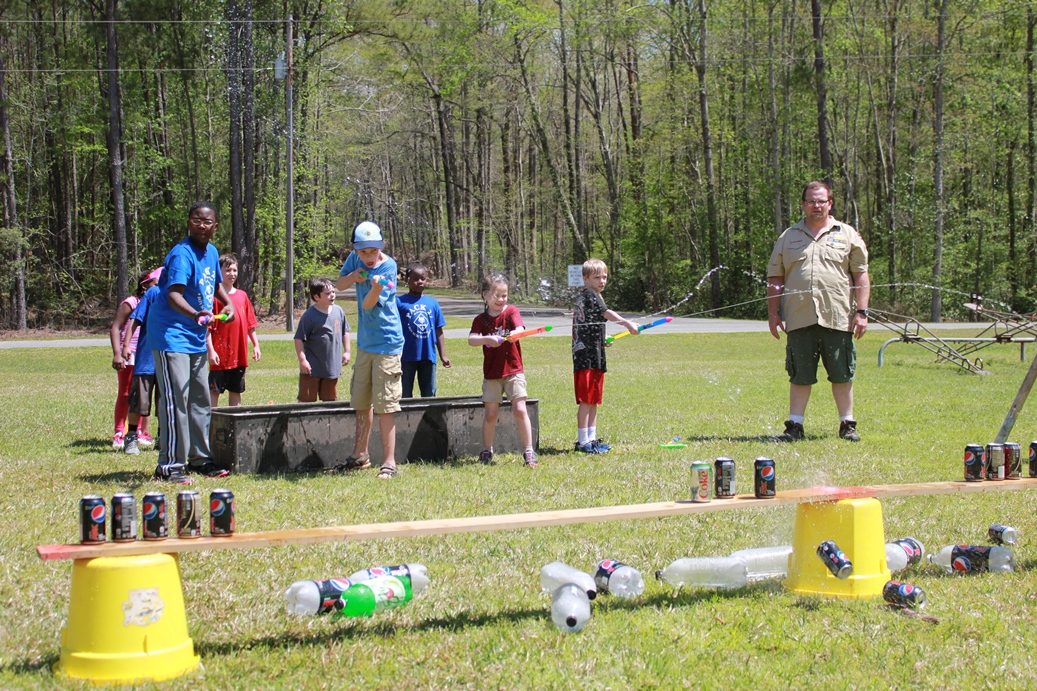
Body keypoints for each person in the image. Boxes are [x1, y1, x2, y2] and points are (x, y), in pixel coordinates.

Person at [767, 180, 870, 442]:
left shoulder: (847, 234)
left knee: (842, 372)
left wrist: (862, 312)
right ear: (803, 204)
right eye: (811, 201)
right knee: (799, 374)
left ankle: (847, 424)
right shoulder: (788, 237)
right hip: (799, 316)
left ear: (830, 204)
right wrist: (773, 313)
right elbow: (775, 277)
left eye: (821, 201)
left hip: (837, 316)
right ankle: (795, 426)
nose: (816, 205)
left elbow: (861, 275)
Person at [149, 202, 235, 484]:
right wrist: (197, 313)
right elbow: (173, 294)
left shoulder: (211, 252)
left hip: (196, 338)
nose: (201, 225)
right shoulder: (181, 254)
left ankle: (200, 459)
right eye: (196, 220)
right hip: (171, 335)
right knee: (177, 401)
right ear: (189, 223)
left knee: (200, 401)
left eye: (207, 221)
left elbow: (217, 284)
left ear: (215, 226)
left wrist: (228, 302)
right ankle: (170, 465)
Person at [330, 221, 404, 480]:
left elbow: (369, 304)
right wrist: (354, 276)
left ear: (381, 247)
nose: (369, 256)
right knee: (361, 401)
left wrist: (375, 287)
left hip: (387, 343)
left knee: (385, 404)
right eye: (363, 251)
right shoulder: (355, 258)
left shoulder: (388, 267)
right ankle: (360, 455)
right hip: (365, 344)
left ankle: (389, 462)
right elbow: (340, 285)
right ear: (355, 250)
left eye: (374, 250)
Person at [468, 273, 538, 467]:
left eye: (504, 295)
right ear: (485, 295)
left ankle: (529, 450)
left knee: (520, 409)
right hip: (492, 373)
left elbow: (520, 328)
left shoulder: (511, 312)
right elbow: (471, 340)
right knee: (491, 414)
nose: (501, 299)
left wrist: (516, 334)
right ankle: (487, 450)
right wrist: (487, 339)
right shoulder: (481, 320)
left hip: (514, 370)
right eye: (496, 295)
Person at [571, 258, 640, 454]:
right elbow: (607, 313)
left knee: (593, 400)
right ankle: (582, 442)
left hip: (595, 354)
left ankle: (591, 439)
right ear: (585, 279)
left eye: (604, 277)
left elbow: (592, 323)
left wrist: (602, 339)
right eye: (597, 277)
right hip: (585, 357)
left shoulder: (593, 296)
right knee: (586, 400)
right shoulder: (589, 295)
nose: (602, 281)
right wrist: (627, 323)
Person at [109, 270, 156, 449]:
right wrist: (117, 353)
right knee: (126, 393)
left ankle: (140, 431)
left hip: (146, 352)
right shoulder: (131, 303)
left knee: (143, 392)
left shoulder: (155, 302)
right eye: (155, 283)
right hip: (129, 353)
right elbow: (115, 327)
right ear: (144, 285)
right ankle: (120, 432)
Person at [207, 253, 261, 407]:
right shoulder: (213, 297)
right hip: (219, 355)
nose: (232, 274)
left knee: (236, 392)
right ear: (219, 272)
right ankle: (211, 421)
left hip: (239, 355)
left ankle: (235, 421)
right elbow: (207, 329)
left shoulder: (242, 296)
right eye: (228, 270)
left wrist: (256, 345)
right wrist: (211, 351)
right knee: (214, 391)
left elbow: (250, 324)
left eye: (234, 270)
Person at [121, 267, 163, 456]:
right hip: (146, 357)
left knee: (165, 402)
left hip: (167, 359)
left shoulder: (180, 296)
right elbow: (135, 319)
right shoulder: (153, 293)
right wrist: (126, 345)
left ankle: (163, 437)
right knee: (139, 401)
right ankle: (131, 437)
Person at [396, 262, 451, 398]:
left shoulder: (432, 303)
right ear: (406, 280)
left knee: (429, 394)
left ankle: (429, 413)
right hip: (406, 356)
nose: (420, 282)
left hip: (427, 355)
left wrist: (443, 355)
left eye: (423, 278)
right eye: (415, 279)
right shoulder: (399, 303)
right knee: (404, 394)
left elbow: (438, 330)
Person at [294, 278, 351, 402]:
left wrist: (347, 351)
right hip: (311, 368)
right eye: (327, 293)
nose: (332, 295)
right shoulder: (310, 315)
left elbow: (345, 331)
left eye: (333, 292)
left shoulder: (338, 311)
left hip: (331, 367)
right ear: (316, 297)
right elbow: (299, 338)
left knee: (330, 402)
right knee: (306, 401)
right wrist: (303, 360)